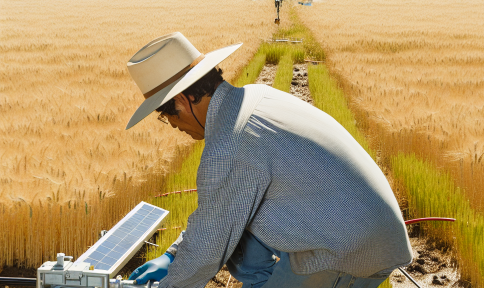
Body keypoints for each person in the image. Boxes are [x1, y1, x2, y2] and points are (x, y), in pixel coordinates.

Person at [125, 32, 413, 288]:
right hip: (365, 229)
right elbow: (217, 215)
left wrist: (173, 281)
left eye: (165, 113)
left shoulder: (230, 145)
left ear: (184, 99)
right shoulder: (254, 96)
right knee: (240, 245)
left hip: (351, 251)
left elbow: (207, 250)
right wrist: (172, 255)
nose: (172, 124)